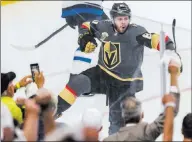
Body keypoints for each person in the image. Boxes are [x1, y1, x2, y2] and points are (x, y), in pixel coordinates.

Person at [56, 2, 182, 135]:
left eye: (126, 18)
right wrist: (85, 37)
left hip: (125, 83)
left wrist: (169, 49)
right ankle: (55, 110)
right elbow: (86, 25)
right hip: (103, 73)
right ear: (112, 19)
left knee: (117, 123)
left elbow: (156, 38)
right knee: (78, 81)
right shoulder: (104, 26)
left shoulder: (136, 31)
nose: (123, 22)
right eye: (120, 19)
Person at [59, 1, 109, 96]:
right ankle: (79, 82)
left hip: (80, 7)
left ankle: (77, 80)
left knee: (89, 39)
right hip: (88, 6)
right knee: (89, 42)